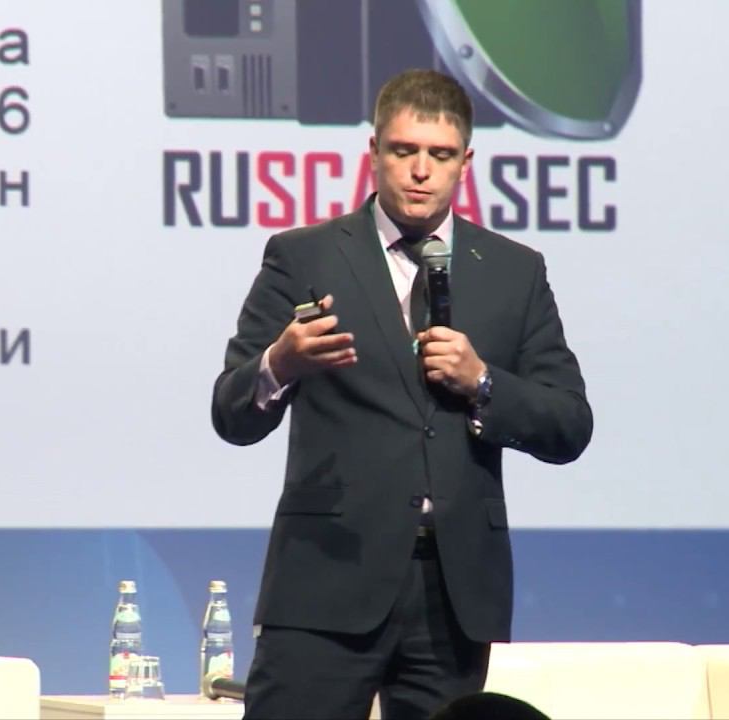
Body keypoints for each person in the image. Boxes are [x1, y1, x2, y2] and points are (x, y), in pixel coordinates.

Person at [211, 68, 592, 720]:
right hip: (326, 580)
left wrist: (484, 382)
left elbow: (569, 423)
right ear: (374, 153)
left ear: (465, 163)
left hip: (453, 594)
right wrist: (281, 362)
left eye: (439, 155)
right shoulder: (304, 257)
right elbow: (231, 412)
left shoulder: (514, 271)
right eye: (403, 150)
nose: (420, 171)